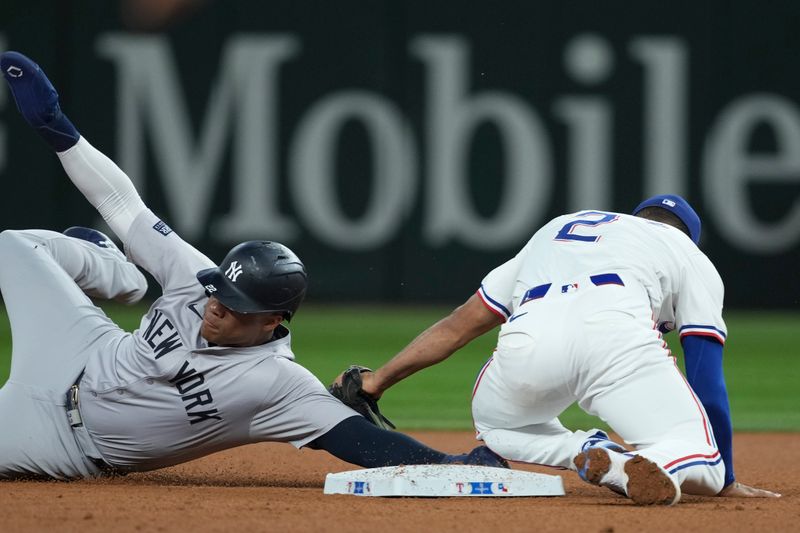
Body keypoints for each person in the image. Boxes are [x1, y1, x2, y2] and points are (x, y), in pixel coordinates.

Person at [0, 51, 506, 480]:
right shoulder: (196, 277)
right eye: (221, 292)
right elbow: (122, 205)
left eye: (236, 306)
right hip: (78, 345)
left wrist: (456, 465)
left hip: (58, 442)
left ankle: (109, 268)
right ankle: (112, 269)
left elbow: (363, 443)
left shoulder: (277, 385)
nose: (216, 307)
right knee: (12, 246)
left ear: (272, 321)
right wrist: (58, 130)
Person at [345, 198, 782, 504]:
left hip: (529, 343)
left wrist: (377, 381)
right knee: (703, 465)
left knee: (497, 424)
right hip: (617, 342)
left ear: (633, 218)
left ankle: (591, 453)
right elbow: (706, 372)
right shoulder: (687, 253)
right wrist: (725, 476)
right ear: (690, 236)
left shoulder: (558, 229)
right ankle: (648, 462)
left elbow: (458, 325)